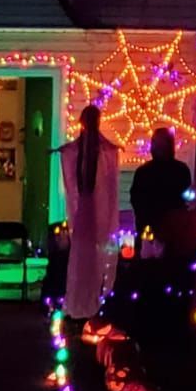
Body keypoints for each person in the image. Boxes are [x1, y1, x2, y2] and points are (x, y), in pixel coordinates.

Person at [59, 105, 120, 320]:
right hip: (85, 205)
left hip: (94, 205)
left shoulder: (99, 146)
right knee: (82, 252)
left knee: (93, 253)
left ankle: (92, 298)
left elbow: (106, 154)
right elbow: (72, 149)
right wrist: (62, 151)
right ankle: (80, 299)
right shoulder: (83, 144)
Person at [130, 126, 194, 255]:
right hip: (153, 234)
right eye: (156, 143)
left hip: (171, 235)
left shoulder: (179, 171)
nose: (157, 147)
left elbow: (136, 201)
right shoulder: (144, 172)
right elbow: (137, 201)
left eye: (160, 144)